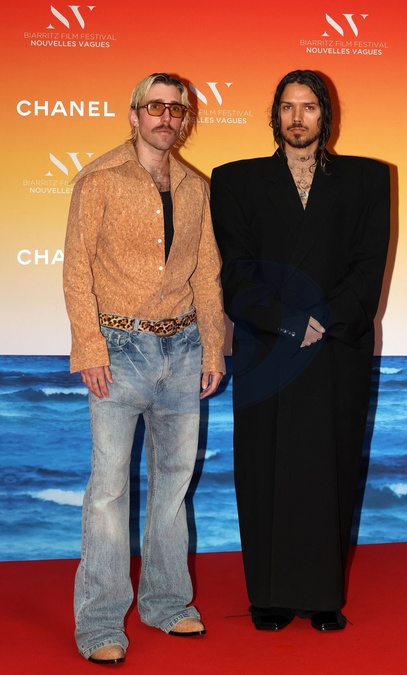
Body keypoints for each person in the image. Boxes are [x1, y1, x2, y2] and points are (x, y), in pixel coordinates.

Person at [210, 69, 390, 633]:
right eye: (287, 107)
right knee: (264, 468)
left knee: (329, 467)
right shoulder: (236, 180)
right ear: (274, 115)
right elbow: (235, 271)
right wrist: (286, 322)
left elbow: (368, 266)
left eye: (308, 107)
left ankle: (322, 595)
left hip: (336, 346)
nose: (297, 117)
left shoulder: (367, 179)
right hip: (268, 347)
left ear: (325, 115)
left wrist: (322, 319)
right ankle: (267, 596)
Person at [63, 72, 225, 664]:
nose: (166, 117)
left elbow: (206, 275)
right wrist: (89, 348)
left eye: (175, 109)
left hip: (183, 351)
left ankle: (167, 603)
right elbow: (76, 270)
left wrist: (212, 349)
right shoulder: (99, 179)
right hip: (119, 349)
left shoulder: (196, 187)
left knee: (173, 486)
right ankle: (100, 622)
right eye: (154, 106)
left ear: (184, 120)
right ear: (134, 115)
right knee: (108, 491)